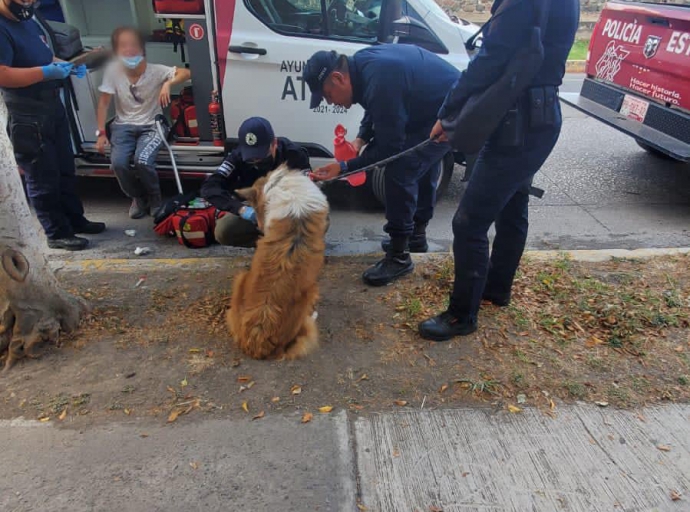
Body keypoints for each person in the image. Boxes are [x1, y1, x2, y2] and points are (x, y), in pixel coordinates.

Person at [418, 0, 579, 341]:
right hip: (541, 117)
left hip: (515, 123)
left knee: (469, 222)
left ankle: (462, 316)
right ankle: (496, 288)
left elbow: (488, 62)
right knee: (512, 205)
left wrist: (449, 113)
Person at [304, 45, 460, 286]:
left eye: (327, 95)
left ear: (338, 78)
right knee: (422, 164)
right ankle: (416, 236)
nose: (330, 102)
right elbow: (374, 107)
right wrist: (361, 139)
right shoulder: (363, 67)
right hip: (431, 108)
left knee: (401, 168)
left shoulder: (380, 78)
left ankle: (398, 257)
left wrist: (344, 167)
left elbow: (390, 150)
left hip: (452, 112)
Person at [0, 0, 105, 251]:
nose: (28, 3)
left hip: (51, 105)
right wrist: (46, 72)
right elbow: (3, 73)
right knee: (42, 175)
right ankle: (56, 233)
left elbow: (43, 54)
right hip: (27, 111)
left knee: (64, 168)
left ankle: (74, 220)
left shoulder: (29, 19)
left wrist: (64, 65)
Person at [96, 26, 191, 219]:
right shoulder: (113, 72)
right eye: (123, 45)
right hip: (122, 126)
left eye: (134, 45)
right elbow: (104, 103)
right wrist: (101, 134)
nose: (129, 49)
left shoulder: (156, 71)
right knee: (118, 163)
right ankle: (138, 198)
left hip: (151, 125)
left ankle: (156, 199)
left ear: (142, 49)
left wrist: (168, 83)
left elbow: (186, 73)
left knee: (143, 160)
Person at [201, 117, 310, 247]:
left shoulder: (293, 154)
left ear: (274, 143)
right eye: (251, 158)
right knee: (223, 230)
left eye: (261, 155)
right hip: (255, 207)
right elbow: (209, 187)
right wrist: (243, 210)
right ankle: (270, 244)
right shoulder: (237, 157)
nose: (256, 161)